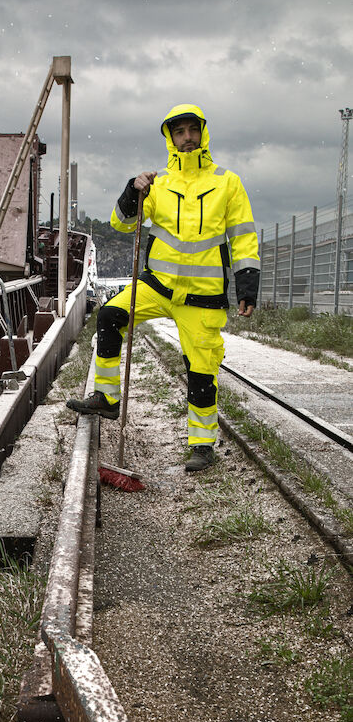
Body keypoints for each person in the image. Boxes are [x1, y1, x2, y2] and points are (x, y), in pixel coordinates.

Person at [67, 103, 259, 473]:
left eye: (192, 130)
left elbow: (244, 238)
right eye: (179, 132)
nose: (186, 138)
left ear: (202, 133)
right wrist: (131, 190)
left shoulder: (227, 182)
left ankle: (202, 445)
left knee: (202, 369)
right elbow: (123, 223)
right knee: (109, 316)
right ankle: (107, 399)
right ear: (170, 138)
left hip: (202, 296)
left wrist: (247, 286)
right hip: (157, 286)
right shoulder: (159, 183)